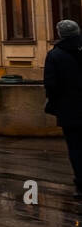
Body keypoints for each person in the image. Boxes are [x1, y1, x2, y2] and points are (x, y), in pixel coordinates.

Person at [44, 18, 82, 197]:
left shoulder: (55, 55)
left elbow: (51, 84)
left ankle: (81, 182)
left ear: (60, 34)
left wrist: (55, 103)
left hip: (70, 110)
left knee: (75, 147)